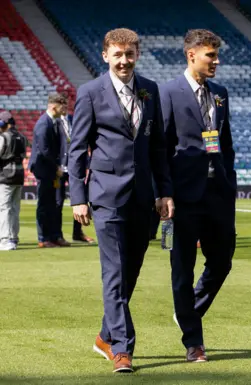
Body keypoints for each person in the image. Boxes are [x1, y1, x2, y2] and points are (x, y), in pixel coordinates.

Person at [67, 28, 174, 373]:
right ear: (105, 56)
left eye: (129, 55)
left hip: (144, 197)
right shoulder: (89, 93)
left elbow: (158, 146)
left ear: (136, 54)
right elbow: (77, 150)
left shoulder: (150, 90)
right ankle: (122, 348)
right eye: (118, 55)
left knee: (130, 273)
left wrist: (164, 191)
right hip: (105, 195)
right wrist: (78, 198)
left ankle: (103, 334)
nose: (124, 61)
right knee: (113, 272)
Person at [160, 29, 236, 362]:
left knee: (222, 260)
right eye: (211, 56)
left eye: (217, 56)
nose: (216, 62)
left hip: (217, 194)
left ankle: (189, 310)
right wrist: (164, 193)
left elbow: (227, 144)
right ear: (192, 55)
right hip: (181, 198)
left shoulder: (220, 93)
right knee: (181, 268)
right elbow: (159, 149)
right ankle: (194, 341)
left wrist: (230, 185)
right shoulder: (167, 93)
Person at [29, 93, 70, 248]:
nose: (65, 109)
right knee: (44, 204)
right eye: (62, 106)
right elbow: (44, 150)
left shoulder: (55, 122)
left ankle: (54, 236)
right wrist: (57, 167)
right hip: (43, 169)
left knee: (54, 204)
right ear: (54, 106)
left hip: (51, 169)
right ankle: (43, 238)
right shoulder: (43, 124)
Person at [57, 107, 94, 243]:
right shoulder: (54, 122)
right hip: (60, 167)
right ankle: (57, 235)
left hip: (76, 166)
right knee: (58, 202)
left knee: (80, 199)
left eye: (65, 104)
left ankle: (77, 233)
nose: (64, 108)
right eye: (62, 105)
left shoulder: (72, 120)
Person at [0, 111, 27, 251]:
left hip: (5, 176)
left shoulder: (3, 137)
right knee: (15, 208)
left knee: (4, 208)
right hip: (19, 175)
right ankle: (13, 238)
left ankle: (4, 240)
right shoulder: (22, 137)